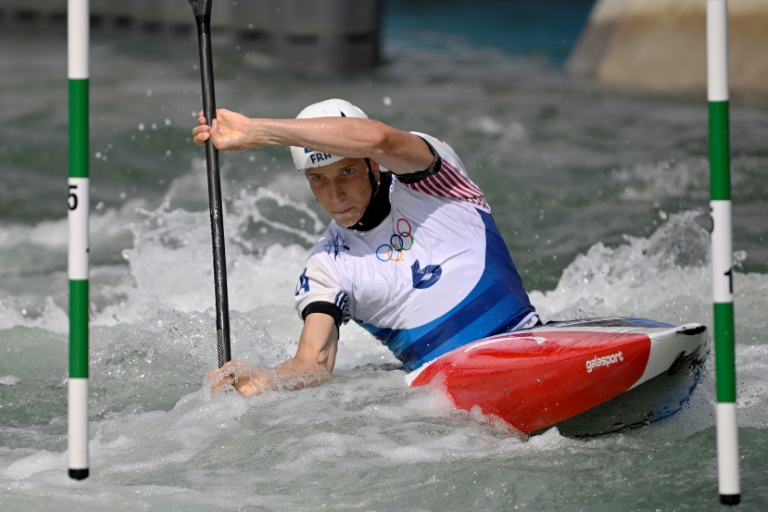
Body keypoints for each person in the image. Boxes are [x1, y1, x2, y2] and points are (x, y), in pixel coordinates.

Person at [192, 98, 538, 397]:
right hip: (447, 393)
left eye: (346, 171)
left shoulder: (434, 181)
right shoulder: (328, 266)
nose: (335, 194)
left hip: (528, 343)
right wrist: (264, 380)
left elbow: (379, 138)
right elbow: (313, 363)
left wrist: (259, 131)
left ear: (372, 165)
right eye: (319, 179)